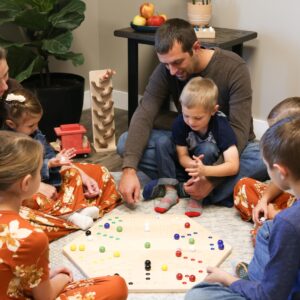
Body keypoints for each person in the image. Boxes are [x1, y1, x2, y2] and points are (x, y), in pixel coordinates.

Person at [117, 18, 267, 206]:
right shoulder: (168, 69)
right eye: (166, 64)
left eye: (177, 62)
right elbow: (145, 111)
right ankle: (196, 187)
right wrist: (129, 170)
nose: (171, 71)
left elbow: (239, 130)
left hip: (229, 149)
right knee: (125, 143)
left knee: (262, 158)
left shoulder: (234, 67)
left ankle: (175, 184)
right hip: (188, 146)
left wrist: (211, 179)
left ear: (196, 47)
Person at [0, 130, 128, 300]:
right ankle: (72, 216)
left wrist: (42, 275)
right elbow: (44, 297)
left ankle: (72, 214)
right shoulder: (30, 237)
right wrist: (62, 278)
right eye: (40, 172)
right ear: (26, 183)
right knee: (116, 286)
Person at [184, 116, 300, 300]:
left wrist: (228, 279)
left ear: (281, 171)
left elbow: (269, 296)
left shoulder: (287, 223)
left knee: (199, 294)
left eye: (267, 166)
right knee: (267, 230)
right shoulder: (286, 223)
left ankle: (252, 282)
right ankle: (255, 281)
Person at [0, 88, 122, 237]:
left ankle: (77, 209)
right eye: (31, 126)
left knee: (85, 172)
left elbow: (49, 154)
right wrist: (40, 180)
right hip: (24, 190)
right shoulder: (6, 143)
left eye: (37, 123)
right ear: (11, 124)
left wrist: (59, 161)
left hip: (48, 179)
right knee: (30, 206)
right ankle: (69, 216)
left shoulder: (34, 132)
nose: (36, 128)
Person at [143, 77, 239, 217]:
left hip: (208, 168)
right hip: (190, 165)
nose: (191, 122)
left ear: (213, 110)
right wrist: (195, 167)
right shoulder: (180, 122)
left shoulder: (221, 126)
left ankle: (196, 195)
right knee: (162, 142)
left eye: (198, 118)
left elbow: (233, 165)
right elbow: (182, 156)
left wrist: (204, 170)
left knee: (208, 148)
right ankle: (170, 190)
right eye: (186, 115)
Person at [234, 97, 300, 243]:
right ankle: (270, 225)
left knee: (273, 235)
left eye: (275, 131)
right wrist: (263, 201)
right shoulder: (289, 164)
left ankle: (271, 230)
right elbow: (280, 179)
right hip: (292, 207)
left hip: (294, 220)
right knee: (244, 185)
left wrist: (276, 216)